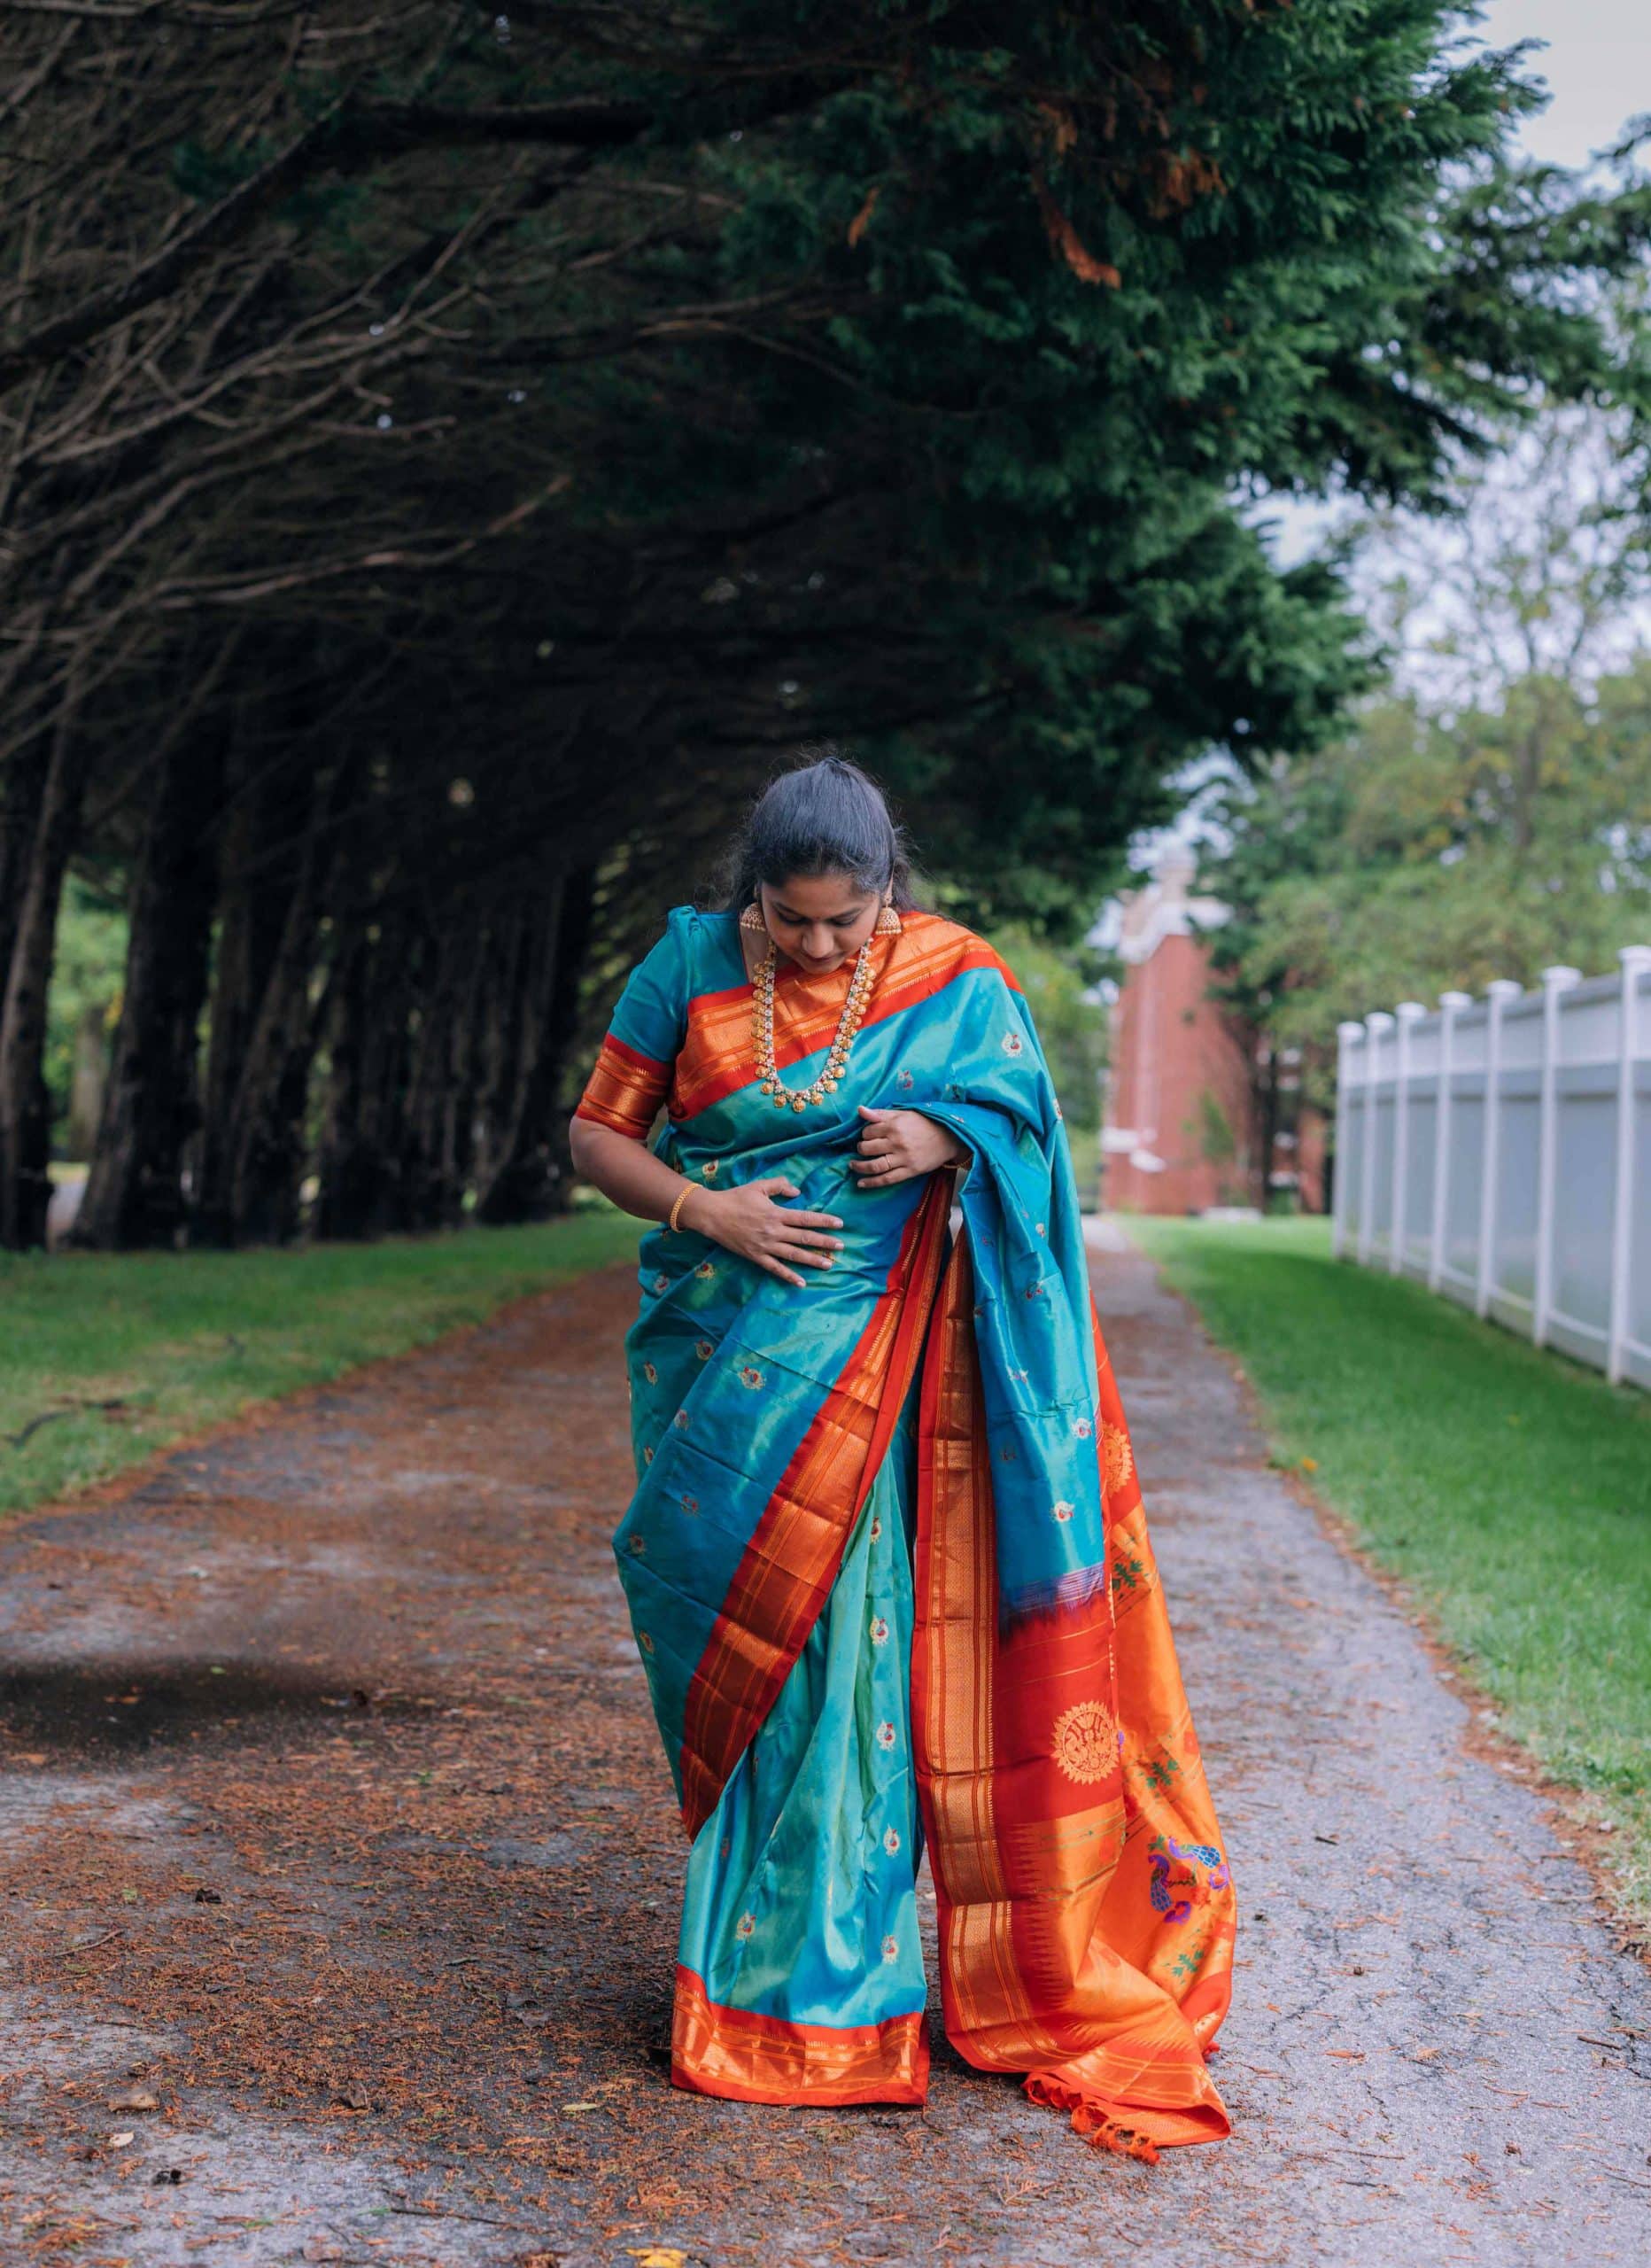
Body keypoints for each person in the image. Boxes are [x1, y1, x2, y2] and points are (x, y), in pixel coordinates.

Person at [568, 753, 1236, 2162]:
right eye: (792, 919)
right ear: (752, 889)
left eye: (846, 919)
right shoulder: (681, 967)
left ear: (891, 888)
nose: (820, 945)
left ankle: (850, 1995)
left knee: (855, 1648)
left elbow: (1032, 1135)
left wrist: (945, 1130)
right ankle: (770, 1986)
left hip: (907, 1372)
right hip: (729, 1358)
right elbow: (595, 1133)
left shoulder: (955, 973)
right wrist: (709, 1212)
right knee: (766, 1645)